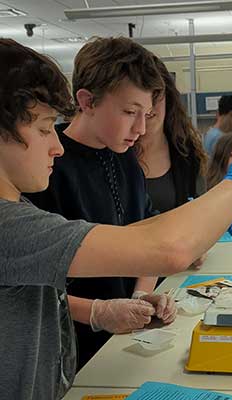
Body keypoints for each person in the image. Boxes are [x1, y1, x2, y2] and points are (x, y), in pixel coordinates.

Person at [0, 38, 232, 399]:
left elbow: (137, 232)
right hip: (83, 355)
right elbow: (164, 248)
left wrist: (206, 221)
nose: (57, 146)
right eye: (43, 128)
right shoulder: (12, 224)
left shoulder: (117, 162)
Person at [26, 37, 179, 370]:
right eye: (128, 112)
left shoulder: (126, 159)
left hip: (124, 342)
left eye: (147, 115)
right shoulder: (45, 168)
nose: (140, 129)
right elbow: (31, 292)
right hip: (69, 352)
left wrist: (141, 295)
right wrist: (99, 312)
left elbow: (144, 235)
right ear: (87, 101)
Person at [136, 57, 208, 273]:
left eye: (155, 97)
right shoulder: (113, 156)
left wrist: (200, 243)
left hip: (174, 275)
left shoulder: (186, 156)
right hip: (122, 280)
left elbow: (200, 219)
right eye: (135, 104)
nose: (147, 109)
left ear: (168, 99)